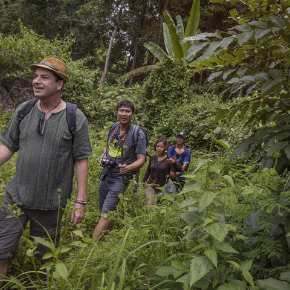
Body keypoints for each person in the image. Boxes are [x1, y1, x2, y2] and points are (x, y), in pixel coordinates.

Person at [0, 58, 92, 287]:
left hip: (51, 203)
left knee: (44, 259)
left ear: (59, 84)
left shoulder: (74, 117)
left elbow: (81, 160)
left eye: (44, 77)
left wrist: (81, 200)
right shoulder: (24, 110)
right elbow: (8, 146)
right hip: (16, 197)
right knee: (1, 249)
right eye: (35, 76)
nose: (36, 81)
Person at [92, 100, 147, 242]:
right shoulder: (114, 127)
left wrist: (128, 168)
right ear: (116, 112)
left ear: (132, 114)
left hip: (120, 178)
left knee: (105, 213)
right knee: (106, 210)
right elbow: (108, 147)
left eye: (127, 111)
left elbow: (142, 159)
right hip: (106, 172)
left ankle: (90, 249)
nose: (124, 114)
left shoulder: (137, 133)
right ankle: (108, 238)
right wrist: (103, 156)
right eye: (121, 110)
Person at [143, 138, 182, 205]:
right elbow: (148, 170)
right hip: (152, 184)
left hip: (164, 186)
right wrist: (144, 180)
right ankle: (148, 214)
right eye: (157, 146)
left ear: (165, 148)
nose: (159, 148)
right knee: (150, 204)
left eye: (161, 147)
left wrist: (174, 162)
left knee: (161, 205)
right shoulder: (153, 158)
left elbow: (179, 169)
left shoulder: (169, 159)